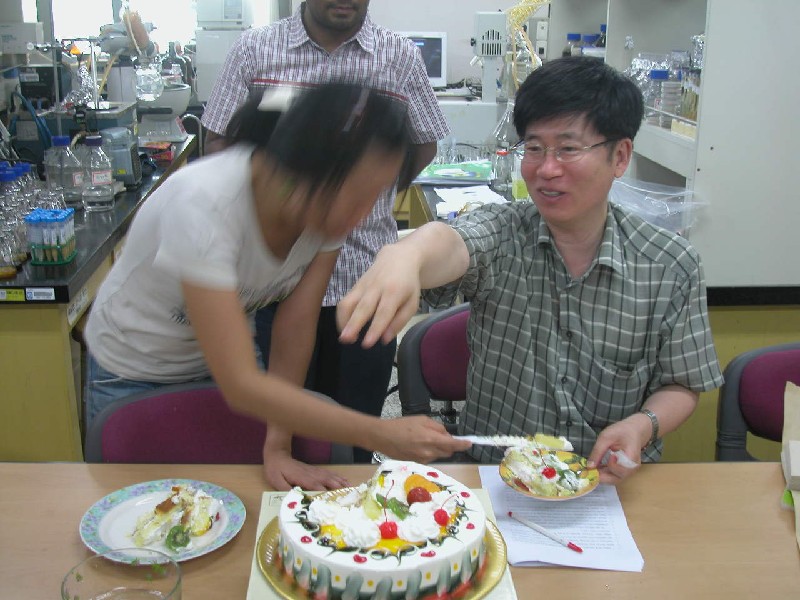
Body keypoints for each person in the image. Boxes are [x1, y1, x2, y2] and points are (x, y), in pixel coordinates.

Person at [338, 56, 724, 485]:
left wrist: (642, 425)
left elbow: (681, 384)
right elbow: (452, 242)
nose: (546, 169)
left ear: (619, 156)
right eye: (534, 148)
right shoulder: (505, 232)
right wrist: (406, 256)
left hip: (606, 485)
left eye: (568, 149)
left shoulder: (670, 265)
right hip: (496, 477)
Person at [83, 83, 470, 480]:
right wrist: (379, 434)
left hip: (217, 363)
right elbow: (241, 385)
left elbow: (294, 328)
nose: (363, 214)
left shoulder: (321, 213)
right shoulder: (204, 205)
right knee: (142, 505)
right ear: (309, 169)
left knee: (235, 498)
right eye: (359, 195)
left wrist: (279, 447)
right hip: (132, 369)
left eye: (375, 197)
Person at [200, 0, 450, 485]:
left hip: (364, 279)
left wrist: (369, 197)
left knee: (354, 435)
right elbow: (219, 141)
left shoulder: (398, 56)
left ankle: (350, 521)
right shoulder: (256, 49)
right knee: (276, 429)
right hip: (274, 279)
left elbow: (423, 141)